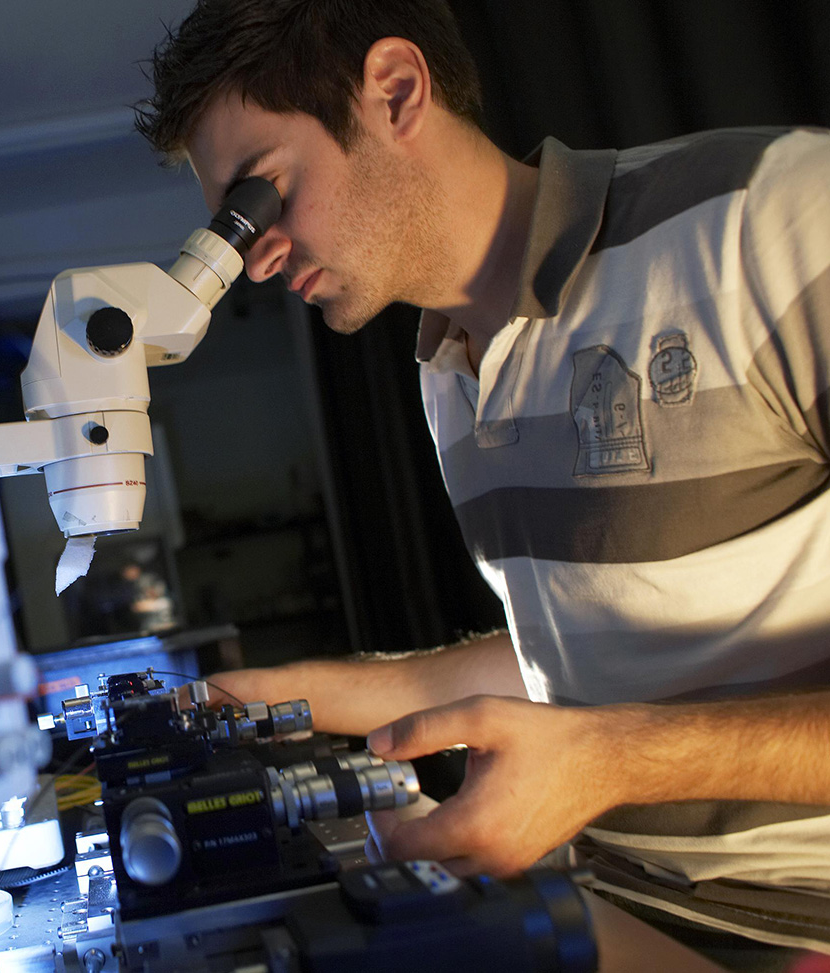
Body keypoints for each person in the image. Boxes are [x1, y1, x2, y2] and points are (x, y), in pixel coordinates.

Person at [134, 0, 830, 969]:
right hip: (621, 895)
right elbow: (580, 654)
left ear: (394, 91)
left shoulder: (773, 220)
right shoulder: (446, 374)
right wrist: (270, 697)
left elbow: (608, 730)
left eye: (261, 197)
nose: (254, 255)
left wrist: (611, 760)